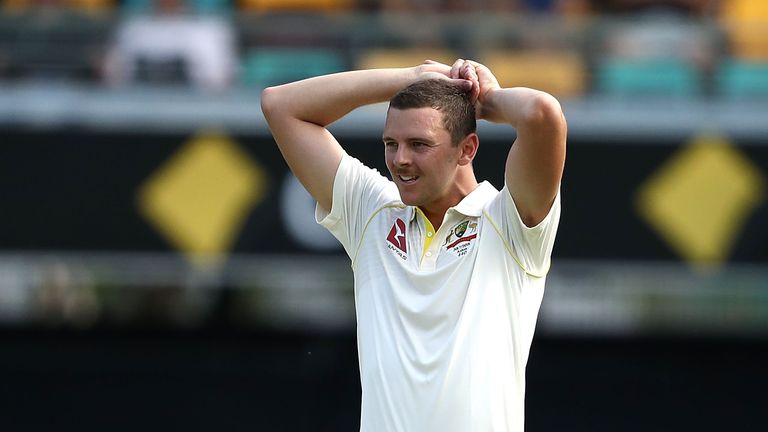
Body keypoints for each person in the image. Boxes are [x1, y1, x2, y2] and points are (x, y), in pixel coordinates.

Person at [261, 58, 566, 431]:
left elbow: (542, 113)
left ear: (467, 149)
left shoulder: (510, 221)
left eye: (419, 144)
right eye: (391, 143)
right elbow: (280, 106)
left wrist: (488, 100)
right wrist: (409, 79)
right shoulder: (372, 211)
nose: (400, 160)